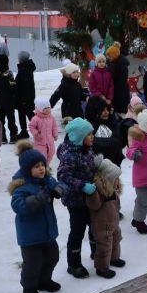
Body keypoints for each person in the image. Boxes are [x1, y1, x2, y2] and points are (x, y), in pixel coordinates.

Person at [9, 141, 67, 293]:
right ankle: (29, 287)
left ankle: (44, 280)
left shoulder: (47, 180)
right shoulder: (21, 187)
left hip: (48, 231)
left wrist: (59, 190)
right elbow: (18, 206)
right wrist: (37, 199)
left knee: (52, 257)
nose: (41, 168)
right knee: (32, 264)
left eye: (42, 164)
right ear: (28, 170)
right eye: (36, 166)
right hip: (30, 235)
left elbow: (62, 184)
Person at [57, 117, 102, 279]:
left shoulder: (87, 149)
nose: (92, 137)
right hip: (75, 201)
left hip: (90, 198)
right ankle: (73, 264)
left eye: (92, 134)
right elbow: (63, 176)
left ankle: (96, 252)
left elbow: (91, 166)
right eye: (89, 134)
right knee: (77, 231)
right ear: (78, 137)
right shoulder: (69, 156)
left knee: (94, 226)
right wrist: (82, 185)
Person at [85, 159, 126, 279]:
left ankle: (113, 259)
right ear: (107, 179)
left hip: (113, 222)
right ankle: (101, 267)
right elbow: (94, 205)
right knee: (104, 246)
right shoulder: (99, 191)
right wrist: (92, 194)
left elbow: (116, 205)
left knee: (116, 239)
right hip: (102, 225)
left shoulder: (112, 191)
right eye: (116, 178)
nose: (118, 181)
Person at [85, 95, 124, 168]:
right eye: (102, 110)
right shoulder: (90, 127)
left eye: (107, 110)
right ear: (95, 111)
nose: (106, 112)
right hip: (96, 167)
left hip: (113, 166)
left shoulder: (112, 124)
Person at [0, 54, 19, 144]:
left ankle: (2, 138)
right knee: (11, 119)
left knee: (0, 120)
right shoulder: (8, 72)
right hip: (9, 100)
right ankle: (13, 137)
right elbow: (13, 86)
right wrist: (12, 94)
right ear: (6, 61)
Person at [28, 98, 59, 165]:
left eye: (49, 108)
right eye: (45, 108)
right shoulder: (36, 118)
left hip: (50, 140)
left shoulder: (51, 117)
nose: (48, 110)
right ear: (40, 109)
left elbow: (54, 126)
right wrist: (36, 133)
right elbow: (31, 127)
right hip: (40, 141)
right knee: (42, 155)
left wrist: (55, 134)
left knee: (51, 153)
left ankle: (46, 165)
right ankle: (43, 165)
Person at [15, 51, 36, 140]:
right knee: (26, 113)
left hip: (24, 98)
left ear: (21, 59)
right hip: (27, 97)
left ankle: (39, 129)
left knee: (27, 114)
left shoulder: (24, 70)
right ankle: (25, 131)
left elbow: (24, 86)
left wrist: (23, 99)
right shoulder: (27, 68)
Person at [107, 42, 131, 118]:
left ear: (114, 56)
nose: (108, 57)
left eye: (109, 56)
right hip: (116, 92)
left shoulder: (122, 66)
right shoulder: (113, 63)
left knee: (121, 114)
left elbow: (121, 82)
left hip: (120, 94)